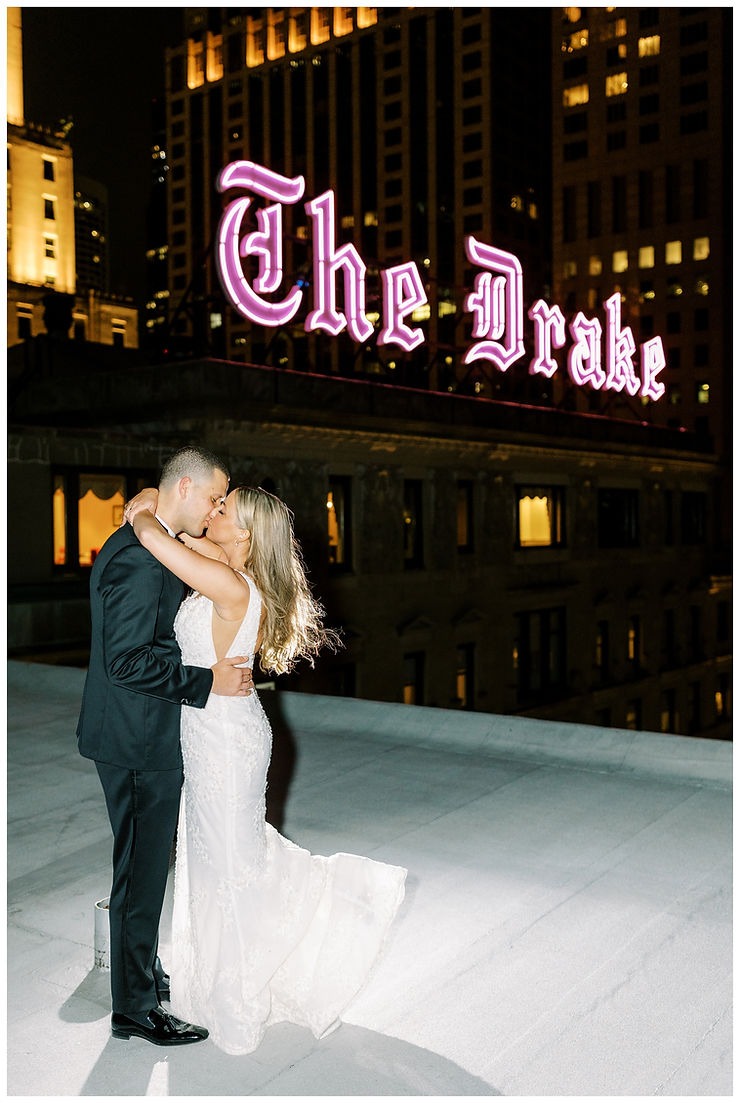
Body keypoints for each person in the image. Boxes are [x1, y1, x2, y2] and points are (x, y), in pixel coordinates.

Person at [123, 482, 407, 1055]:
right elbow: (176, 533)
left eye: (222, 509)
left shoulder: (230, 582)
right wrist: (156, 496)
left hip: (227, 742)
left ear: (245, 533)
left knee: (230, 864)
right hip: (210, 735)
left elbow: (154, 535)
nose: (213, 511)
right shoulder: (220, 563)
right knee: (212, 858)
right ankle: (212, 982)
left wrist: (145, 510)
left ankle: (240, 992)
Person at [76, 446, 254, 1047]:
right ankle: (135, 1007)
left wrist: (148, 510)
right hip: (136, 737)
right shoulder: (143, 562)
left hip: (129, 730)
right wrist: (206, 681)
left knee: (140, 864)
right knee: (142, 870)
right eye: (211, 497)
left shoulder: (138, 542)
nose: (213, 510)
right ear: (184, 486)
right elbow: (128, 660)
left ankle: (141, 971)